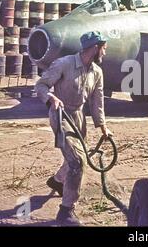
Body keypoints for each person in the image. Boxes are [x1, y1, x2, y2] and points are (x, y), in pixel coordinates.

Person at [35, 31, 113, 226]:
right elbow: (41, 85)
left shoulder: (97, 72)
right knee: (77, 161)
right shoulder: (64, 63)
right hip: (60, 115)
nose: (105, 52)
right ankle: (66, 211)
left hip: (78, 117)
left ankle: (57, 181)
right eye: (104, 48)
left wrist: (103, 126)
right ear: (95, 48)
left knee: (78, 156)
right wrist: (51, 98)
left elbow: (97, 100)